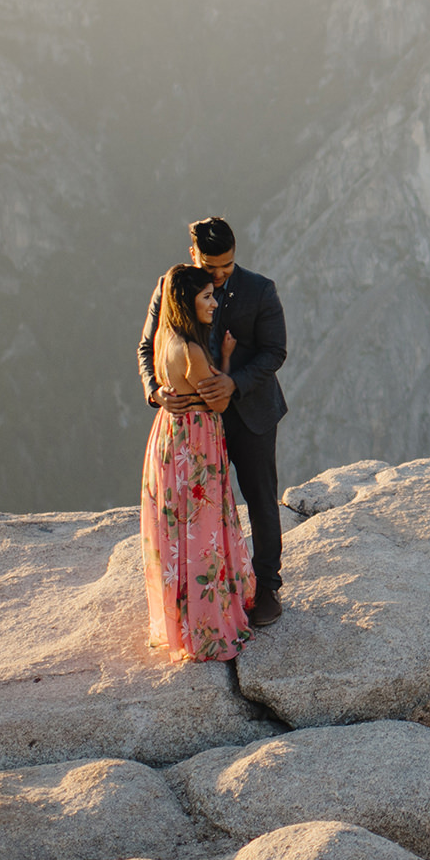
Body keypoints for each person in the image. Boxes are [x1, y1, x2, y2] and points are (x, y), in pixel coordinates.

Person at [138, 216, 290, 626]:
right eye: (211, 267)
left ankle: (268, 588)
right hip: (194, 427)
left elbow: (275, 351)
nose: (220, 276)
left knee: (260, 497)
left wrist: (233, 383)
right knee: (206, 508)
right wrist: (155, 390)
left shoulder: (260, 290)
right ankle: (217, 591)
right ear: (193, 255)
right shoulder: (172, 287)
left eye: (227, 266)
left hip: (251, 414)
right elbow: (148, 345)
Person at [139, 264, 255, 660]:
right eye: (206, 296)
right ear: (188, 301)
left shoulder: (165, 339)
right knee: (202, 529)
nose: (214, 302)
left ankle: (180, 621)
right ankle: (208, 628)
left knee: (177, 527)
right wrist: (225, 359)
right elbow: (217, 399)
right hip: (197, 442)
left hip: (169, 437)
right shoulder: (190, 350)